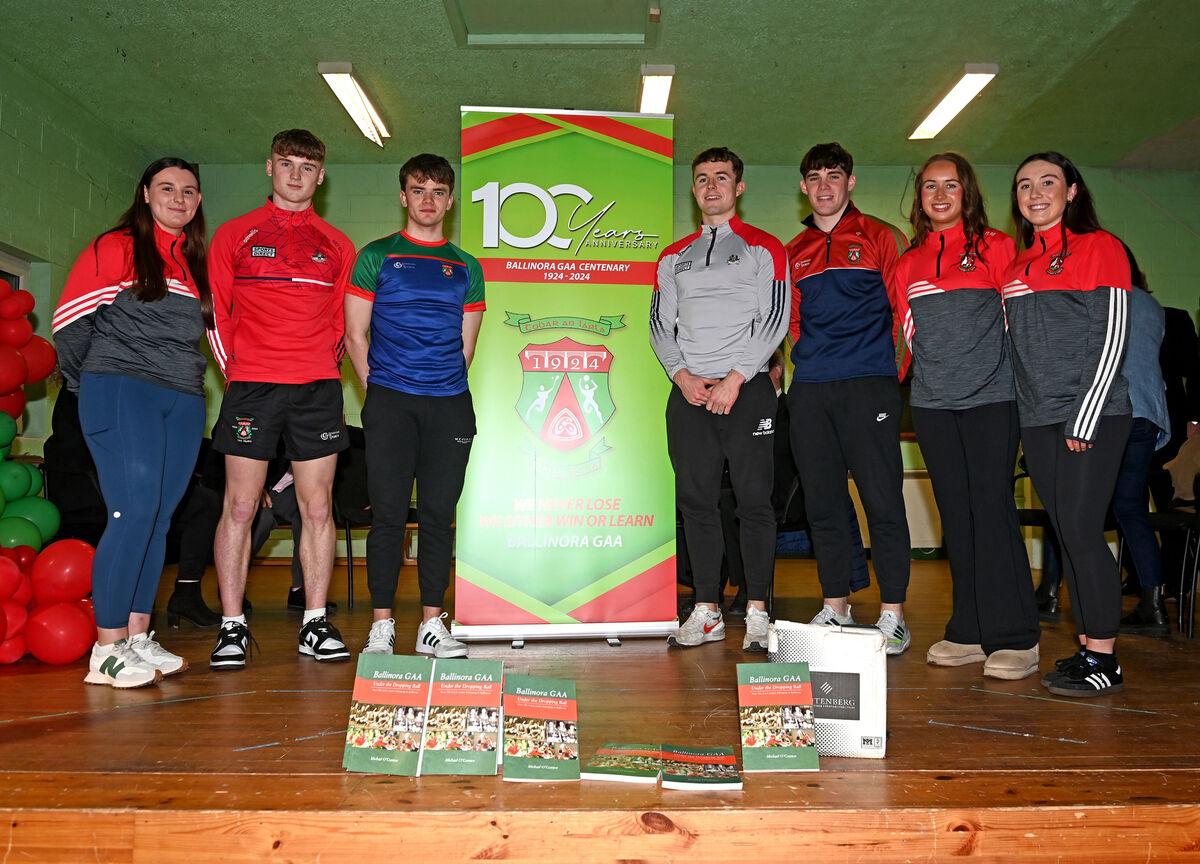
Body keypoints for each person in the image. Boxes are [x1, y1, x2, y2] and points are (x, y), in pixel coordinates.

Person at [52, 157, 213, 688]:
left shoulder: (193, 262)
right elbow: (70, 327)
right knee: (131, 513)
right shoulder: (115, 247)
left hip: (184, 398)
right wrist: (94, 388)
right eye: (166, 188)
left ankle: (139, 637)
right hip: (123, 390)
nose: (179, 199)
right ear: (145, 194)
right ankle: (107, 650)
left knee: (160, 521)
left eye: (189, 192)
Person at [206, 129, 356, 669]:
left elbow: (342, 323)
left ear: (321, 176)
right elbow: (217, 313)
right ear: (269, 168)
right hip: (252, 385)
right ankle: (231, 626)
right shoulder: (234, 235)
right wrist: (238, 372)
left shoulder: (338, 245)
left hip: (316, 388)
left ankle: (314, 622)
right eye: (287, 163)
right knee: (241, 506)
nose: (296, 174)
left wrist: (318, 370)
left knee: (317, 507)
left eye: (308, 167)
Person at [892, 152, 1040, 678]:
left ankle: (1017, 635)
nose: (938, 195)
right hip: (933, 407)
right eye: (929, 186)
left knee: (992, 510)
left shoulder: (998, 248)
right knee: (956, 515)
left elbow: (1019, 324)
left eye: (949, 186)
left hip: (991, 402)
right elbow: (903, 339)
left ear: (967, 193)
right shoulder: (909, 262)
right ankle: (970, 630)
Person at [344, 153, 484, 658]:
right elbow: (355, 335)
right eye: (419, 190)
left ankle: (431, 625)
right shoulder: (377, 255)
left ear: (450, 200)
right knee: (386, 515)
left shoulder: (467, 267)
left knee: (438, 514)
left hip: (448, 405)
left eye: (438, 192)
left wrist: (437, 386)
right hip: (390, 403)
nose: (429, 200)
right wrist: (377, 391)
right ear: (404, 197)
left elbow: (466, 348)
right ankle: (382, 625)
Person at [650, 146, 789, 653]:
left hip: (746, 390)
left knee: (754, 502)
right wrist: (682, 376)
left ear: (739, 187)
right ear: (693, 189)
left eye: (722, 178)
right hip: (689, 393)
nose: (712, 187)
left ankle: (756, 609)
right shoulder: (672, 256)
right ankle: (705, 608)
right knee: (695, 501)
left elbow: (774, 321)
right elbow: (659, 326)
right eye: (703, 179)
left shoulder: (764, 247)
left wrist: (735, 379)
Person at [1003, 151, 1132, 696]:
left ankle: (1105, 659)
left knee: (1081, 530)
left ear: (1072, 191)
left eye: (1048, 183)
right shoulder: (1015, 266)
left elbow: (1113, 337)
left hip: (1092, 413)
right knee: (1067, 533)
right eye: (1025, 185)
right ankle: (1086, 649)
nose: (1035, 194)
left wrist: (1086, 413)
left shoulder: (1099, 247)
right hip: (1039, 418)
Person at [785, 142, 912, 654]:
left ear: (850, 182)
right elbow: (791, 324)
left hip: (871, 385)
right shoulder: (794, 251)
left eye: (833, 176)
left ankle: (893, 615)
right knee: (824, 504)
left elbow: (905, 314)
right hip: (812, 390)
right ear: (803, 187)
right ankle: (835, 606)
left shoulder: (882, 236)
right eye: (814, 177)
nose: (824, 186)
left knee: (882, 500)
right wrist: (812, 369)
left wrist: (887, 377)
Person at [1113, 246, 1171, 636]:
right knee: (1131, 509)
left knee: (1070, 510)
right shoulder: (1153, 306)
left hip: (1113, 410)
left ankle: (1054, 593)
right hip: (1148, 410)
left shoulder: (1108, 298)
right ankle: (1154, 604)